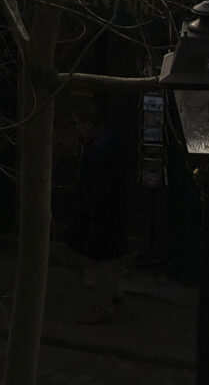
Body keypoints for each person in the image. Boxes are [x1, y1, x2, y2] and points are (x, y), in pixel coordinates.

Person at [68, 103, 132, 322]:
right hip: (112, 212)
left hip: (101, 215)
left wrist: (86, 209)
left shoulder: (97, 150)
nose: (77, 129)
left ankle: (103, 307)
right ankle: (113, 293)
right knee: (109, 259)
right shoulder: (109, 141)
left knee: (100, 260)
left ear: (88, 124)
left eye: (78, 124)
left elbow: (96, 187)